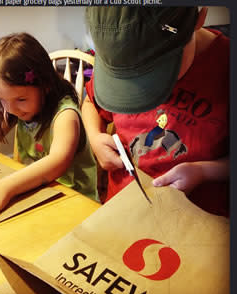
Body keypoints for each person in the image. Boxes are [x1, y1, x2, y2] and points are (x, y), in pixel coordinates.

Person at [82, 7, 229, 216]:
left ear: (199, 17)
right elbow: (90, 103)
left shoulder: (225, 66)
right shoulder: (121, 53)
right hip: (122, 211)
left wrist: (203, 171)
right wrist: (95, 137)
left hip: (196, 223)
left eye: (154, 72)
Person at [0, 32, 99, 223]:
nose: (10, 109)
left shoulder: (66, 115)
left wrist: (4, 187)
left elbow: (57, 162)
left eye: (20, 99)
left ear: (45, 84)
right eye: (1, 99)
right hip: (36, 192)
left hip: (75, 203)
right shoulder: (15, 108)